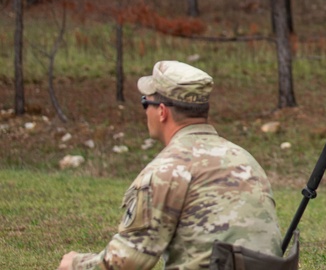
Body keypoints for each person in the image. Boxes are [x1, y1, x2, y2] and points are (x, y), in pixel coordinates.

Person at [58, 61, 284, 270]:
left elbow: (126, 262)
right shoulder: (245, 159)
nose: (145, 111)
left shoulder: (167, 170)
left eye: (145, 103)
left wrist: (75, 264)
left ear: (162, 112)